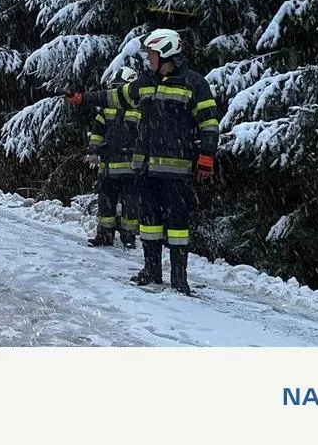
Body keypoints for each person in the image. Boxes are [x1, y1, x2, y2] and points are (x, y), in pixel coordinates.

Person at [65, 28, 219, 294]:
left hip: (177, 170)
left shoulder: (194, 83)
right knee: (149, 223)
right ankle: (151, 271)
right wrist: (83, 99)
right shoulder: (145, 83)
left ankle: (179, 279)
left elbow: (209, 122)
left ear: (166, 52)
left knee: (178, 226)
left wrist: (207, 154)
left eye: (152, 54)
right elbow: (115, 97)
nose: (149, 59)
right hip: (146, 169)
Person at [84, 66, 141, 249]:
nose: (118, 91)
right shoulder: (107, 109)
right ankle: (104, 235)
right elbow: (97, 132)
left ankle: (129, 237)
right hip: (108, 166)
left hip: (131, 168)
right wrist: (93, 150)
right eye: (116, 87)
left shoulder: (141, 110)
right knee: (105, 203)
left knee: (130, 206)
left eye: (121, 86)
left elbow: (145, 137)